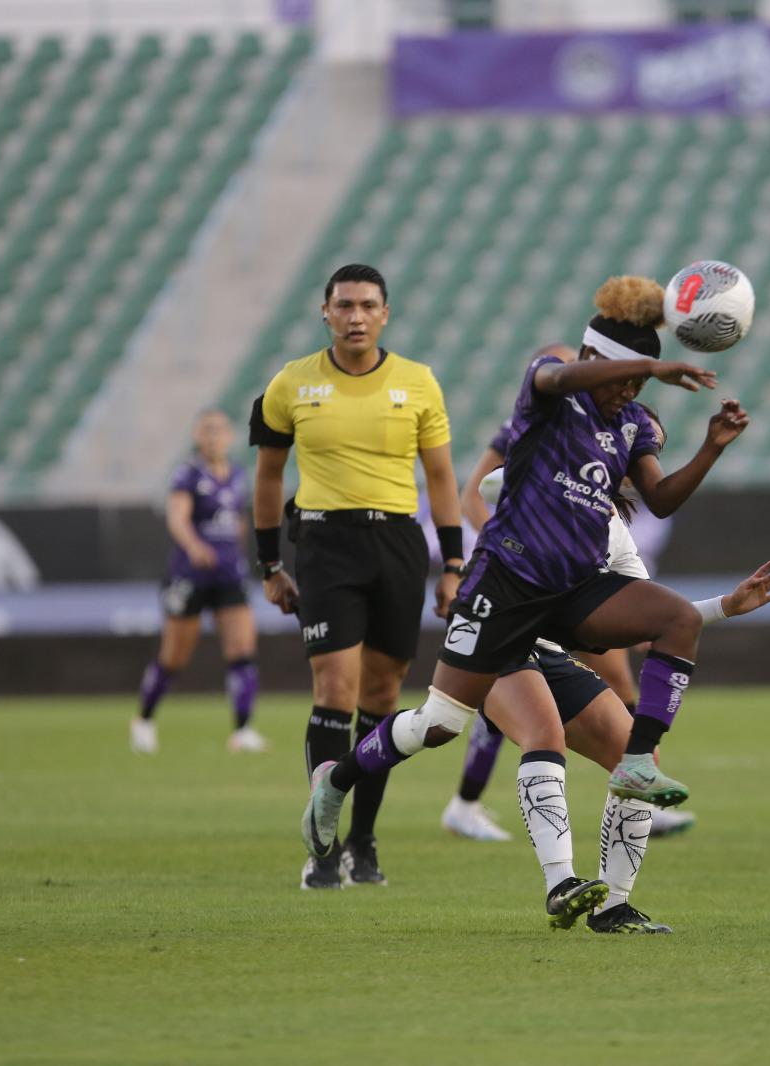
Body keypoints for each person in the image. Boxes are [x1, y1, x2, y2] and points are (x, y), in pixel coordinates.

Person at [302, 275, 749, 928]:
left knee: (674, 626)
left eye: (639, 385)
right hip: (503, 588)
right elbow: (555, 380)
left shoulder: (632, 423)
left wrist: (710, 446)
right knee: (442, 724)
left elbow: (661, 498)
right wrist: (652, 361)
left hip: (570, 592)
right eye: (620, 378)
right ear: (591, 359)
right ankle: (338, 781)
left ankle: (616, 891)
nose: (630, 392)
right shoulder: (552, 387)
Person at [249, 263, 465, 890]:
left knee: (380, 696)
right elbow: (267, 479)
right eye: (344, 305)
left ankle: (363, 840)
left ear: (385, 314)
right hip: (324, 542)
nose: (356, 316)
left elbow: (442, 479)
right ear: (325, 312)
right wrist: (269, 565)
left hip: (397, 541)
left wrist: (452, 564)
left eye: (368, 305)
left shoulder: (419, 383)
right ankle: (324, 845)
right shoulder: (290, 384)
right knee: (334, 685)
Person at [483, 498, 770, 932]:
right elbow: (484, 490)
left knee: (637, 756)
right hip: (492, 635)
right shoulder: (544, 484)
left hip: (546, 647)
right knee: (539, 735)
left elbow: (647, 622)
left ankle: (613, 907)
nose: (643, 467)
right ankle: (560, 883)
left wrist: (726, 606)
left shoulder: (614, 530)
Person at [443, 401, 694, 843]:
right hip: (507, 604)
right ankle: (460, 801)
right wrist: (501, 555)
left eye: (654, 446)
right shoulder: (545, 436)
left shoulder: (613, 520)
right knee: (439, 721)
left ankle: (634, 785)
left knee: (590, 708)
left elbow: (657, 607)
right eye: (643, 443)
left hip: (561, 619)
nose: (647, 452)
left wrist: (721, 608)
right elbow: (479, 490)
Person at [131, 410, 265, 755]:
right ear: (197, 436)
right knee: (174, 656)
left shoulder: (236, 474)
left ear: (230, 437)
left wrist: (237, 553)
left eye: (219, 430)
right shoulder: (187, 474)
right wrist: (194, 547)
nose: (213, 437)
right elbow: (177, 517)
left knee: (242, 651)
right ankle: (144, 719)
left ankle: (243, 729)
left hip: (228, 573)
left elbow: (238, 520)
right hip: (190, 575)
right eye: (207, 431)